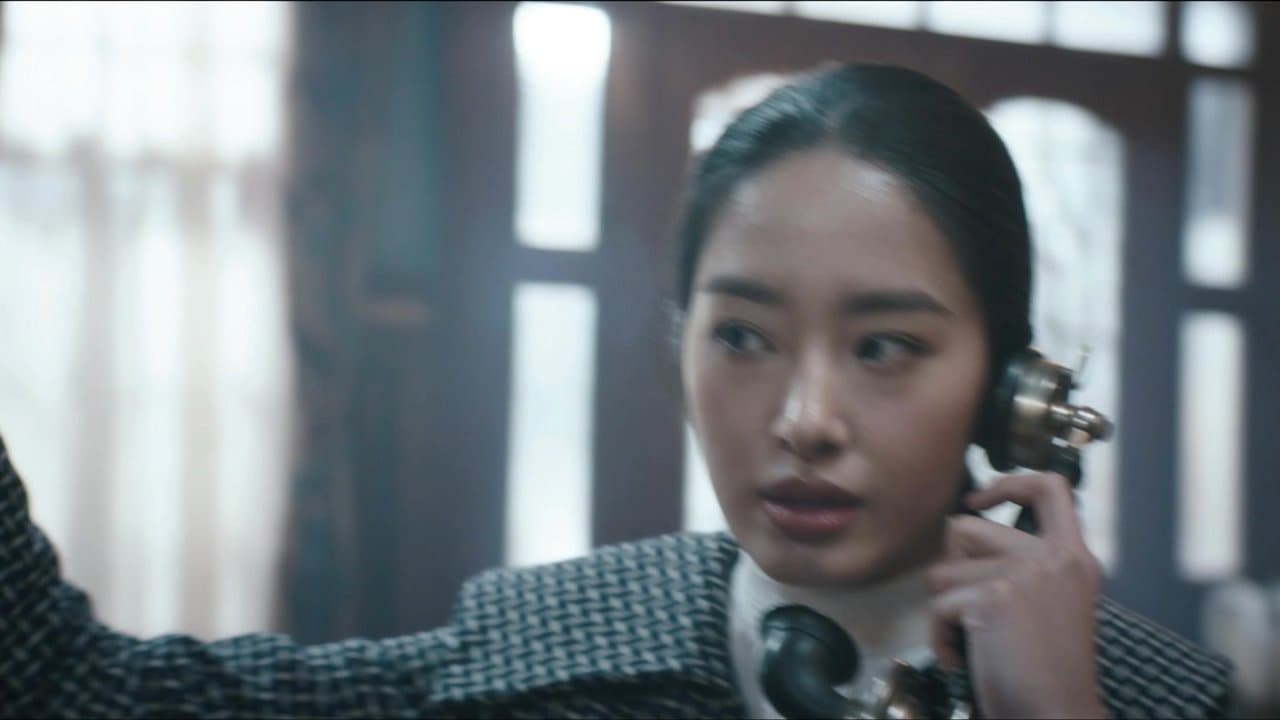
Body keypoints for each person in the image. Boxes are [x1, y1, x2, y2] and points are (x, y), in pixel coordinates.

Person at [0, 64, 1231, 719]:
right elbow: (74, 690)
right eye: (741, 336)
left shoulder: (1161, 700)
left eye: (883, 347)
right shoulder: (545, 649)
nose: (803, 418)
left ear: (1010, 386)